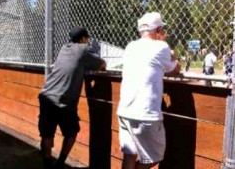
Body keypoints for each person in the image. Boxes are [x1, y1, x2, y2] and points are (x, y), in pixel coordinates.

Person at [117, 12, 181, 169]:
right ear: (159, 30)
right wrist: (173, 55)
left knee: (129, 155)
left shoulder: (131, 46)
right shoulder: (162, 46)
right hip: (147, 115)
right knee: (155, 157)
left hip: (125, 111)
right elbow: (175, 69)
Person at [38, 27, 106, 169]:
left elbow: (74, 64)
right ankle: (60, 164)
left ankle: (47, 164)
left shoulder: (64, 48)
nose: (87, 41)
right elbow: (102, 65)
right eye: (86, 38)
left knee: (47, 134)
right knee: (71, 133)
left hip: (46, 95)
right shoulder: (83, 50)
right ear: (82, 39)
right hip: (63, 101)